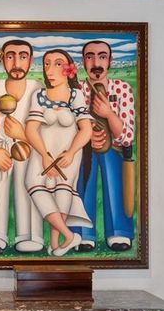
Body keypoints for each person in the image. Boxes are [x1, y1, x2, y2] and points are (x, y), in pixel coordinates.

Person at [0, 38, 44, 253]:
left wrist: (21, 134)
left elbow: (45, 130)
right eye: (10, 56)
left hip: (28, 148)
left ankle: (30, 235)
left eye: (23, 56)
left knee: (29, 183)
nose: (16, 63)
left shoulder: (37, 89)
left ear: (30, 60)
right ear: (3, 60)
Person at [24, 49, 93, 256]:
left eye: (57, 64)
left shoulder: (76, 95)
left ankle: (55, 242)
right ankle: (69, 236)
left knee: (62, 189)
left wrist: (71, 152)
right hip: (42, 152)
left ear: (69, 69)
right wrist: (44, 155)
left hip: (67, 154)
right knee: (33, 184)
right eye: (46, 64)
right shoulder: (39, 95)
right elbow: (31, 128)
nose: (50, 69)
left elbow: (86, 129)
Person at [74, 40, 135, 251]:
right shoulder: (77, 91)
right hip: (85, 148)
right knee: (83, 183)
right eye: (90, 56)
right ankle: (83, 233)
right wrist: (86, 137)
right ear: (83, 61)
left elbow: (127, 135)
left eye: (102, 56)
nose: (96, 62)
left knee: (114, 180)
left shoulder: (122, 88)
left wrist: (108, 113)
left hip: (114, 147)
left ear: (109, 61)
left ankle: (119, 231)